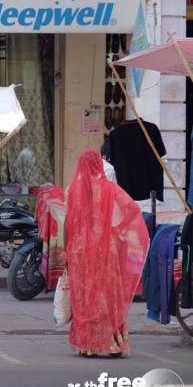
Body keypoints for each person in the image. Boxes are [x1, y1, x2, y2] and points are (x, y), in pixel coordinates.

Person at [65, 149, 149, 357]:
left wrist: (67, 252)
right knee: (107, 294)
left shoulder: (72, 190)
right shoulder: (109, 188)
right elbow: (133, 210)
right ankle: (112, 341)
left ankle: (88, 343)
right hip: (105, 247)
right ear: (99, 165)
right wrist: (117, 229)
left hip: (80, 250)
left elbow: (67, 224)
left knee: (85, 295)